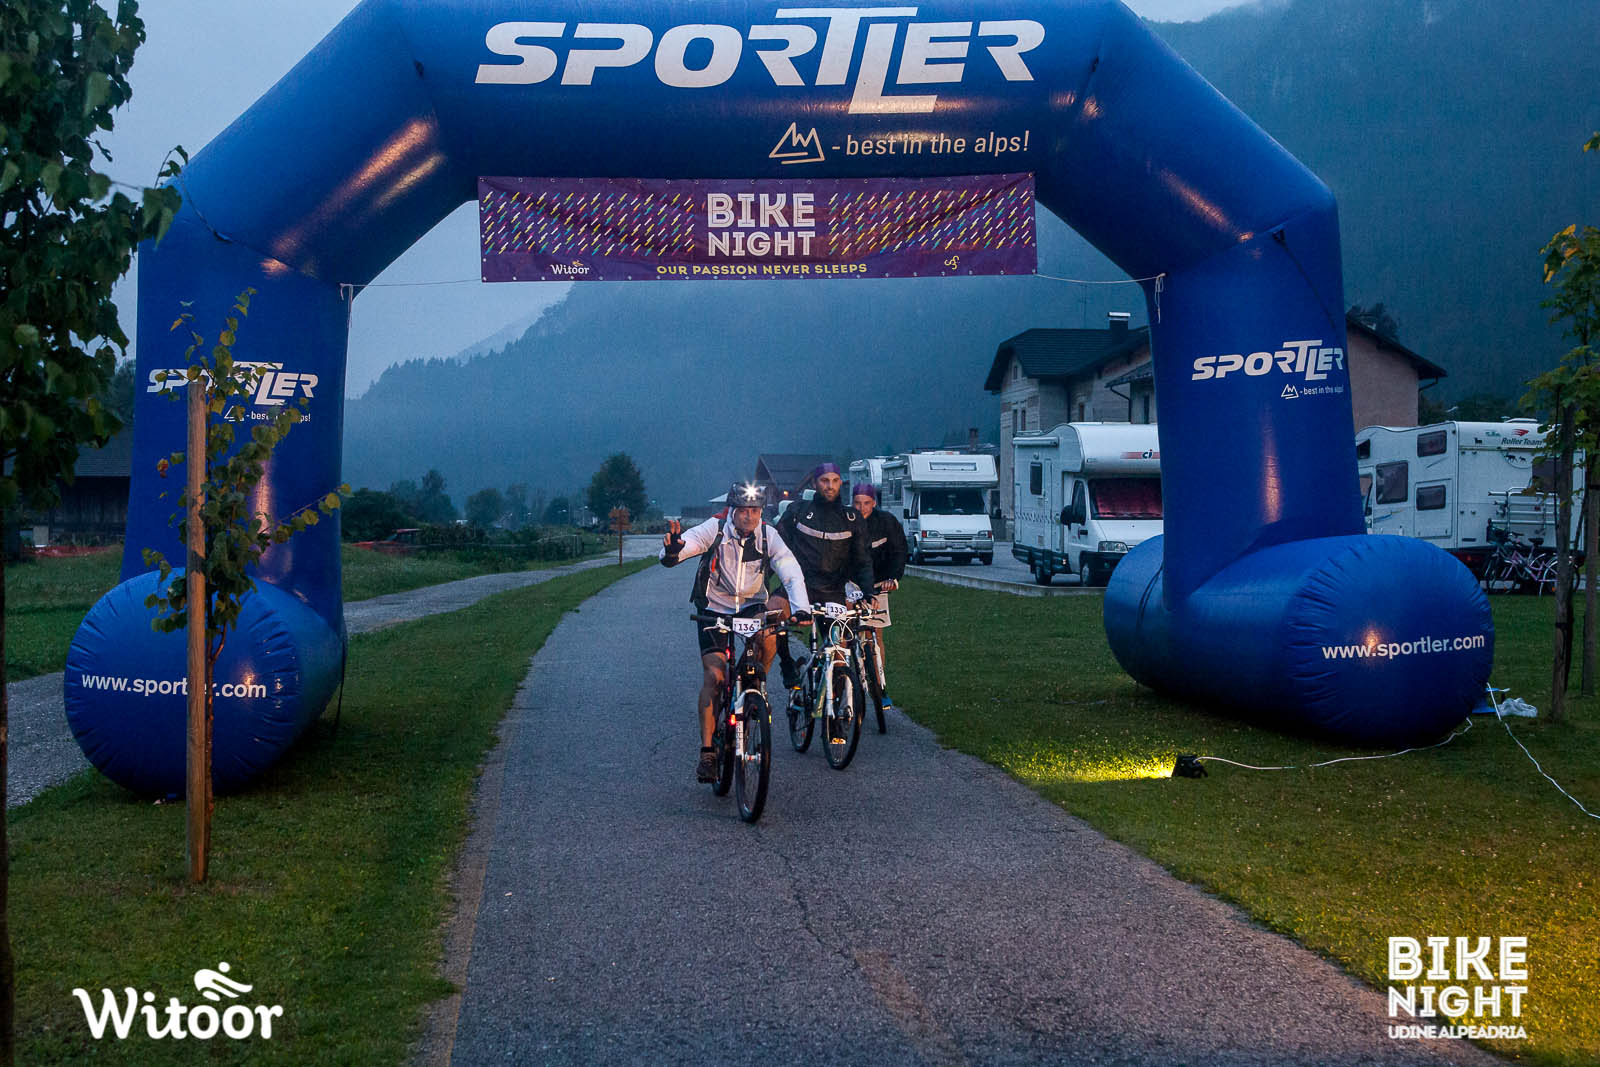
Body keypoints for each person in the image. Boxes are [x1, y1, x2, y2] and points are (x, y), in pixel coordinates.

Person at [661, 482, 811, 783]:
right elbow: (687, 545)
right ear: (732, 510)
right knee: (715, 676)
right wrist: (673, 551)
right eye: (743, 510)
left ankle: (753, 690)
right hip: (713, 607)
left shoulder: (768, 535)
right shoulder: (715, 529)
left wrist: (802, 608)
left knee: (769, 638)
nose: (749, 517)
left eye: (755, 510)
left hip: (751, 606)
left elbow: (790, 571)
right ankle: (707, 752)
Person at [773, 463, 876, 690]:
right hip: (799, 587)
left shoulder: (852, 518)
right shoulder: (798, 511)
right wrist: (761, 583)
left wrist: (868, 593)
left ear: (840, 483)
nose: (830, 486)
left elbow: (863, 561)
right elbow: (775, 550)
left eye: (835, 481)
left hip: (833, 591)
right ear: (814, 483)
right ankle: (787, 664)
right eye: (824, 481)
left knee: (839, 655)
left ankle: (836, 701)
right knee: (773, 612)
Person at [851, 483, 907, 710]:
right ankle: (841, 679)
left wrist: (893, 578)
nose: (861, 508)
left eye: (866, 503)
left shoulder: (886, 522)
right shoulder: (845, 520)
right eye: (857, 503)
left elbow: (899, 551)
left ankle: (880, 686)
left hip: (877, 584)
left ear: (874, 503)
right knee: (844, 634)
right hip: (850, 584)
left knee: (875, 635)